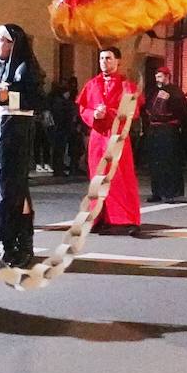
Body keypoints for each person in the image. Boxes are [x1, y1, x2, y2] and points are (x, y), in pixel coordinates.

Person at [0, 23, 44, 266]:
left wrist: (7, 96)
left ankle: (21, 244)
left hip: (18, 129)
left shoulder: (27, 67)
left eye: (0, 40)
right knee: (3, 187)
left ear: (13, 43)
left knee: (14, 187)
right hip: (0, 126)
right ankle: (12, 244)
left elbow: (35, 100)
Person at [78, 47, 143, 235]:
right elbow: (83, 109)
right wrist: (94, 114)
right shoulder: (92, 84)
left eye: (108, 58)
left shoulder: (126, 86)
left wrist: (110, 113)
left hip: (117, 137)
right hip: (98, 137)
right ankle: (99, 217)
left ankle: (125, 219)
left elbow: (133, 112)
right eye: (101, 59)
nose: (104, 62)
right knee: (98, 178)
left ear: (117, 61)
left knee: (120, 179)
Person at [143, 66, 187, 202]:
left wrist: (170, 100)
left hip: (168, 130)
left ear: (167, 76)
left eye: (160, 76)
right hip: (154, 130)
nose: (158, 79)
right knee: (155, 162)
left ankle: (170, 193)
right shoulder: (153, 91)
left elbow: (181, 110)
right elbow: (146, 108)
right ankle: (156, 192)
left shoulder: (176, 91)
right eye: (157, 77)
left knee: (169, 161)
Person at [47, 76, 80, 177]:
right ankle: (60, 169)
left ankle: (60, 168)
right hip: (63, 126)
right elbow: (63, 114)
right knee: (60, 148)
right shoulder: (61, 100)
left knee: (60, 148)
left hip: (62, 126)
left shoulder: (56, 98)